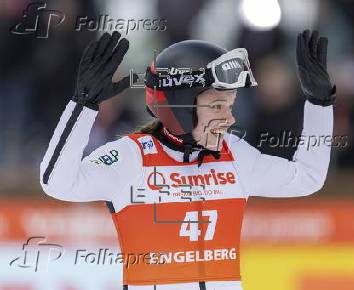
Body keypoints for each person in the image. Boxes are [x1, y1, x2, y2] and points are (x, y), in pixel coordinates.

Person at [40, 30, 335, 290]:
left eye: (230, 105)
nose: (230, 118)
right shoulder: (131, 157)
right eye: (217, 106)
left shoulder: (234, 154)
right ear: (179, 105)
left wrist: (319, 104)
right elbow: (57, 183)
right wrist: (83, 105)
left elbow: (308, 178)